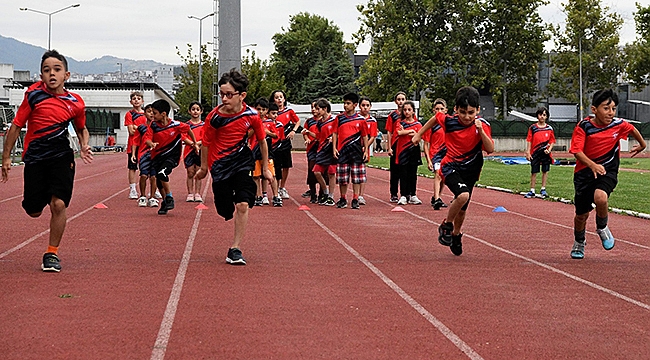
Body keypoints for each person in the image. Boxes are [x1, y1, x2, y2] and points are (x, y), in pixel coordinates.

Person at [1, 50, 93, 272]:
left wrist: (84, 144)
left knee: (59, 204)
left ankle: (52, 253)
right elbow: (15, 126)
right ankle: (40, 196)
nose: (51, 74)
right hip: (35, 158)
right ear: (41, 75)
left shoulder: (76, 103)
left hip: (62, 156)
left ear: (66, 75)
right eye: (46, 70)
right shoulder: (33, 96)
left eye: (56, 70)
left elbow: (82, 129)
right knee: (33, 210)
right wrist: (6, 157)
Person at [195, 69, 272, 265]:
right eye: (221, 94)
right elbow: (205, 143)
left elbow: (262, 141)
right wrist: (204, 168)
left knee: (243, 204)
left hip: (242, 162)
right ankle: (227, 208)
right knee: (225, 210)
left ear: (242, 95)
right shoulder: (214, 117)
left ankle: (235, 249)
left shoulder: (252, 115)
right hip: (219, 166)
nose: (224, 98)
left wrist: (265, 168)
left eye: (229, 94)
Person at [413, 86, 494, 256]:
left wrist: (480, 131)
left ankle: (456, 234)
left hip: (471, 169)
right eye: (462, 112)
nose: (466, 117)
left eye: (471, 112)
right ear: (456, 109)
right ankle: (446, 225)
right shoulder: (450, 121)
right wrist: (419, 134)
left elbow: (490, 149)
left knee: (463, 208)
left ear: (478, 110)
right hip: (450, 166)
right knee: (462, 195)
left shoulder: (483, 125)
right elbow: (436, 118)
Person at [569, 89, 646, 259]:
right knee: (581, 215)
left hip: (608, 170)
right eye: (606, 108)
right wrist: (592, 165)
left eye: (613, 108)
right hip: (584, 174)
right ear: (594, 109)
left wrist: (642, 145)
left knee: (601, 197)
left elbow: (632, 129)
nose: (611, 113)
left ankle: (602, 227)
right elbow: (576, 151)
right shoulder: (584, 126)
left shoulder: (618, 124)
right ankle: (579, 241)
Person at [143, 99, 198, 215]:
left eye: (155, 112)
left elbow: (189, 130)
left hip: (172, 157)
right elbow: (147, 138)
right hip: (157, 157)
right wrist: (151, 144)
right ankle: (165, 202)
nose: (152, 115)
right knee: (159, 181)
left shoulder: (176, 125)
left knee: (162, 173)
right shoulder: (153, 125)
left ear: (163, 114)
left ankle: (169, 197)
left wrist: (194, 143)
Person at [332, 93, 369, 209]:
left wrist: (366, 150)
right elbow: (335, 133)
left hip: (356, 151)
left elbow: (364, 136)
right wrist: (334, 147)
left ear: (355, 105)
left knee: (356, 177)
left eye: (348, 103)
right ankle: (343, 198)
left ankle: (355, 198)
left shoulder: (361, 120)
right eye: (344, 103)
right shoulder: (339, 118)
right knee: (342, 178)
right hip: (342, 151)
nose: (345, 106)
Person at [270, 90, 301, 199]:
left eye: (281, 97)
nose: (279, 99)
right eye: (276, 97)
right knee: (276, 166)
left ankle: (282, 187)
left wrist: (293, 131)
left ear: (284, 99)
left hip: (286, 142)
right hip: (275, 143)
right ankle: (276, 188)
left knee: (286, 165)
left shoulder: (289, 111)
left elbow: (297, 121)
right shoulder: (272, 112)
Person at [251, 99, 281, 207]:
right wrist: (255, 129)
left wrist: (266, 132)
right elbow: (248, 135)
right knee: (256, 175)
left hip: (267, 152)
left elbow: (276, 135)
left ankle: (276, 196)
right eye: (258, 109)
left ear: (267, 110)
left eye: (263, 109)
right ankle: (258, 196)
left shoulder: (269, 122)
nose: (261, 112)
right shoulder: (252, 122)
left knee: (271, 174)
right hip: (255, 151)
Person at [394, 100, 423, 205]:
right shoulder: (400, 122)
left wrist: (410, 133)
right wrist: (411, 132)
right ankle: (403, 195)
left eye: (409, 109)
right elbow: (399, 132)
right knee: (403, 173)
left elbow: (418, 136)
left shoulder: (418, 124)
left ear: (413, 111)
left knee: (413, 173)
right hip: (402, 151)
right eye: (405, 110)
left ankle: (413, 194)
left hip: (413, 151)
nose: (407, 112)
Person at [524, 106, 555, 199]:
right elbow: (529, 140)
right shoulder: (533, 128)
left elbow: (552, 141)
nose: (542, 117)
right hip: (535, 153)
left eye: (544, 115)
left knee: (545, 171)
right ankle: (532, 190)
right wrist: (528, 152)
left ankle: (543, 189)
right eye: (540, 114)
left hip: (545, 153)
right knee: (534, 171)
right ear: (537, 116)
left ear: (547, 117)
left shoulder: (549, 128)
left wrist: (549, 150)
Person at [423, 98, 448, 210]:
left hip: (446, 153)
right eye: (437, 109)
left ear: (446, 110)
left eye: (441, 109)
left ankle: (436, 197)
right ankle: (437, 199)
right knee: (438, 173)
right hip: (435, 153)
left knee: (443, 176)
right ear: (433, 110)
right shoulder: (431, 125)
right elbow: (426, 144)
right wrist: (428, 160)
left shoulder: (448, 123)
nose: (439, 111)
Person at [131, 103, 159, 208]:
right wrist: (133, 154)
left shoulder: (158, 127)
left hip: (155, 154)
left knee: (153, 177)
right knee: (143, 175)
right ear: (145, 114)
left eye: (153, 111)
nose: (151, 114)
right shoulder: (141, 128)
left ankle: (152, 197)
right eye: (149, 111)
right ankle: (142, 196)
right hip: (143, 154)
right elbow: (135, 142)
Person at [312, 98, 337, 206]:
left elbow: (339, 133)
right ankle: (325, 192)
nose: (316, 111)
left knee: (331, 173)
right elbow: (318, 136)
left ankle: (331, 196)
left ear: (325, 109)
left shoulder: (335, 120)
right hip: (321, 150)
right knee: (316, 172)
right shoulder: (319, 123)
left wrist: (333, 139)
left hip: (331, 150)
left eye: (318, 109)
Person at [386, 91, 407, 202]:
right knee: (395, 172)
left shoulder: (409, 114)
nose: (401, 101)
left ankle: (407, 193)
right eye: (399, 99)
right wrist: (389, 147)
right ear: (395, 101)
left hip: (406, 146)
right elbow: (389, 132)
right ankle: (394, 193)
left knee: (406, 171)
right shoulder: (392, 116)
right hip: (395, 145)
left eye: (403, 99)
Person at [183, 102, 205, 202]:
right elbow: (183, 137)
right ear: (189, 111)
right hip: (189, 150)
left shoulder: (204, 125)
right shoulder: (186, 125)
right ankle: (190, 193)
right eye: (193, 109)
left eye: (197, 109)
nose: (195, 111)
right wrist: (193, 144)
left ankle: (197, 193)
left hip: (200, 150)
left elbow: (205, 137)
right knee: (190, 172)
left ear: (201, 111)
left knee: (198, 172)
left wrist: (198, 144)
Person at [124, 91, 145, 199]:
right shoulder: (129, 114)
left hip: (145, 144)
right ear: (131, 101)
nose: (136, 100)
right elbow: (131, 131)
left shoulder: (147, 114)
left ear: (142, 101)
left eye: (138, 98)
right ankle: (132, 189)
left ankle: (151, 189)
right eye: (134, 98)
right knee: (132, 167)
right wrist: (142, 128)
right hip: (133, 145)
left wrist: (137, 127)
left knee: (147, 167)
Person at [301, 100, 322, 203]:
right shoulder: (309, 121)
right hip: (312, 148)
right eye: (312, 107)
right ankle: (313, 194)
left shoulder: (324, 121)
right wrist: (306, 138)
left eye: (316, 107)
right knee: (311, 170)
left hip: (322, 148)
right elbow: (304, 132)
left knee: (323, 171)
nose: (313, 109)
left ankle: (322, 194)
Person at [358, 96, 377, 205]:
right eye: (363, 105)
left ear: (370, 107)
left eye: (367, 105)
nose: (365, 108)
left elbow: (372, 136)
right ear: (359, 106)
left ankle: (361, 195)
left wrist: (365, 147)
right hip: (353, 148)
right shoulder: (356, 118)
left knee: (362, 172)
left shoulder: (372, 121)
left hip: (364, 149)